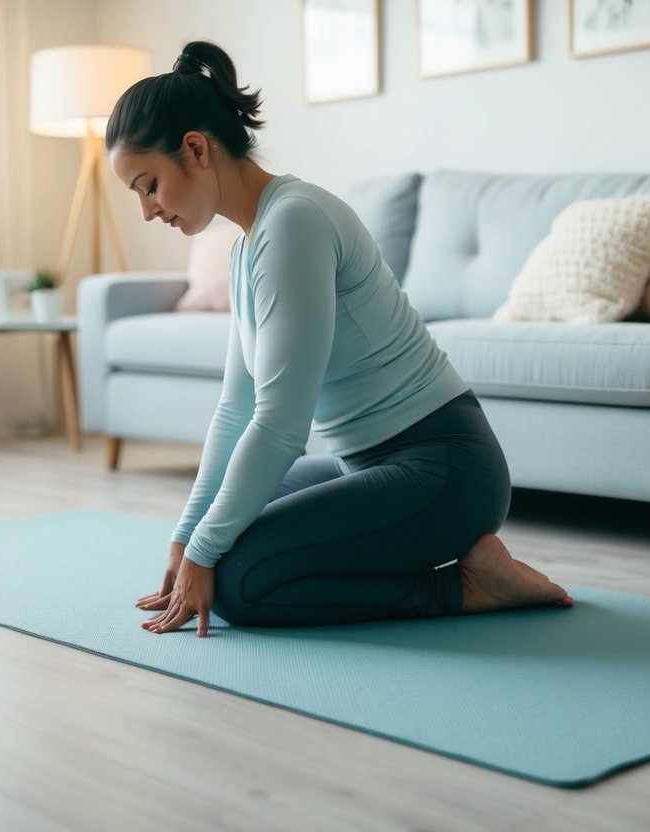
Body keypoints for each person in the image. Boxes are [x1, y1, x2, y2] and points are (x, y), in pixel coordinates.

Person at [106, 41, 574, 638]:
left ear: (195, 148)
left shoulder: (294, 222)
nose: (147, 210)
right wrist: (186, 541)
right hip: (368, 467)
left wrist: (205, 552)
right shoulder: (247, 246)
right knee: (223, 539)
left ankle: (462, 587)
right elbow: (235, 411)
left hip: (446, 471)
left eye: (148, 185)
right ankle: (466, 572)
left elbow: (279, 425)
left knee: (241, 581)